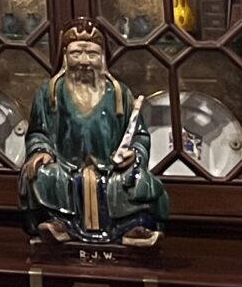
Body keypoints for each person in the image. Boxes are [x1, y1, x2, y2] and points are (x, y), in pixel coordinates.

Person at [18, 20, 169, 249]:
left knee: (143, 182)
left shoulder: (119, 93)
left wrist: (133, 154)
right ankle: (59, 224)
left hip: (112, 169)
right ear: (65, 56)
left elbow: (139, 135)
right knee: (41, 176)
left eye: (92, 54)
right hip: (65, 167)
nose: (84, 61)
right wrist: (42, 151)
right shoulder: (49, 93)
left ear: (103, 57)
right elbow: (38, 132)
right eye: (76, 53)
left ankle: (133, 227)